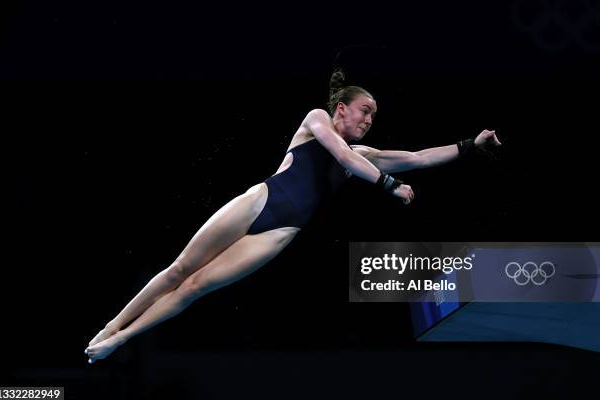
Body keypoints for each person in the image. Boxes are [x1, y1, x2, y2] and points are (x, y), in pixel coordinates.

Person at [84, 69, 501, 363]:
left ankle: (120, 340)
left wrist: (470, 145)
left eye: (374, 116)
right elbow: (340, 155)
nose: (369, 121)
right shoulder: (317, 120)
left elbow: (419, 157)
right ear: (341, 108)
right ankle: (111, 323)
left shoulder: (364, 157)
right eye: (364, 111)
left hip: (279, 231)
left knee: (194, 288)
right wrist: (390, 186)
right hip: (260, 200)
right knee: (179, 270)